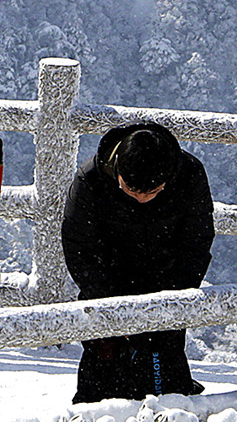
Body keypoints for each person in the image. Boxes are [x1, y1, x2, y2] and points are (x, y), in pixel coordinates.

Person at [62, 122, 214, 404]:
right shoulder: (91, 180)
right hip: (106, 290)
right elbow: (78, 247)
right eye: (132, 190)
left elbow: (197, 243)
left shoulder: (189, 175)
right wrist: (110, 301)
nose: (142, 199)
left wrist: (172, 296)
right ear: (118, 171)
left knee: (167, 386)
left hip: (167, 289)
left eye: (152, 191)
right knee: (100, 386)